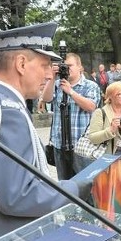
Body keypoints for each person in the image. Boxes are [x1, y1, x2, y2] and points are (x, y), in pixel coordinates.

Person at [0, 23, 92, 241]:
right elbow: (17, 196)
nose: (50, 74)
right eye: (44, 65)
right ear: (21, 64)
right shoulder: (6, 112)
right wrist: (74, 188)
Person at [86, 82, 121, 217]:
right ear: (110, 96)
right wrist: (110, 130)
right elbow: (92, 137)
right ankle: (109, 228)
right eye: (120, 94)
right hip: (106, 165)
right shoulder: (101, 112)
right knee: (107, 199)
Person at [42, 52, 101, 180]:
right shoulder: (57, 85)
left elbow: (91, 107)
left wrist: (71, 92)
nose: (67, 69)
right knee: (64, 186)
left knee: (84, 185)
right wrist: (52, 77)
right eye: (64, 66)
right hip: (59, 144)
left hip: (81, 146)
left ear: (80, 67)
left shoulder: (90, 86)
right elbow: (46, 98)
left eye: (70, 65)